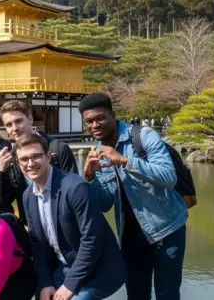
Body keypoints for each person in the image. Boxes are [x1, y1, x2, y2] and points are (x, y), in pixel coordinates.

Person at [79, 92, 187, 300]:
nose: (94, 125)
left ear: (113, 115)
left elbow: (169, 176)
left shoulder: (143, 136)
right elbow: (105, 204)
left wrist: (125, 160)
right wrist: (89, 178)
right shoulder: (99, 151)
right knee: (136, 293)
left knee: (167, 293)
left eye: (100, 117)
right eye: (89, 121)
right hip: (130, 235)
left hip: (166, 228)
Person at [18, 134, 125, 300]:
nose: (30, 164)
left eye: (36, 156)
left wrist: (69, 285)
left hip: (99, 269)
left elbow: (92, 240)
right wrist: (46, 282)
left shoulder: (75, 187)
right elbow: (37, 245)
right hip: (64, 266)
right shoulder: (28, 196)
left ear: (48, 157)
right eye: (24, 159)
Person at [0, 100, 78, 224]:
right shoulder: (10, 157)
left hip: (64, 224)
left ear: (30, 119)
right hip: (34, 228)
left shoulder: (58, 149)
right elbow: (4, 201)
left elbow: (75, 192)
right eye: (9, 124)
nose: (15, 128)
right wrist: (1, 172)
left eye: (18, 121)